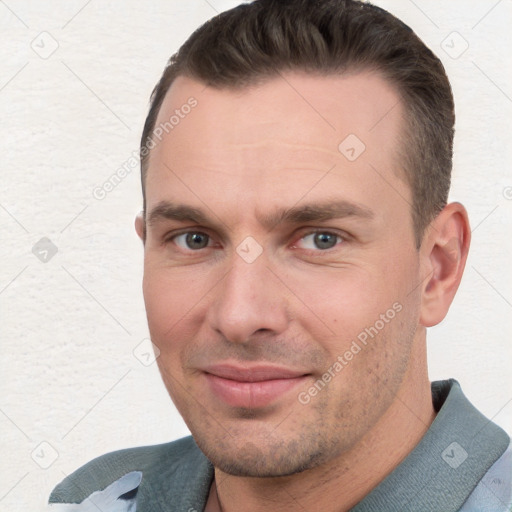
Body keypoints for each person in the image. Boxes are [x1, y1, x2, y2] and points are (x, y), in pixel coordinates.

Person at [48, 0, 511, 510]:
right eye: (194, 239)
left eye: (320, 239)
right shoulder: (93, 499)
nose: (239, 316)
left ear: (437, 269)